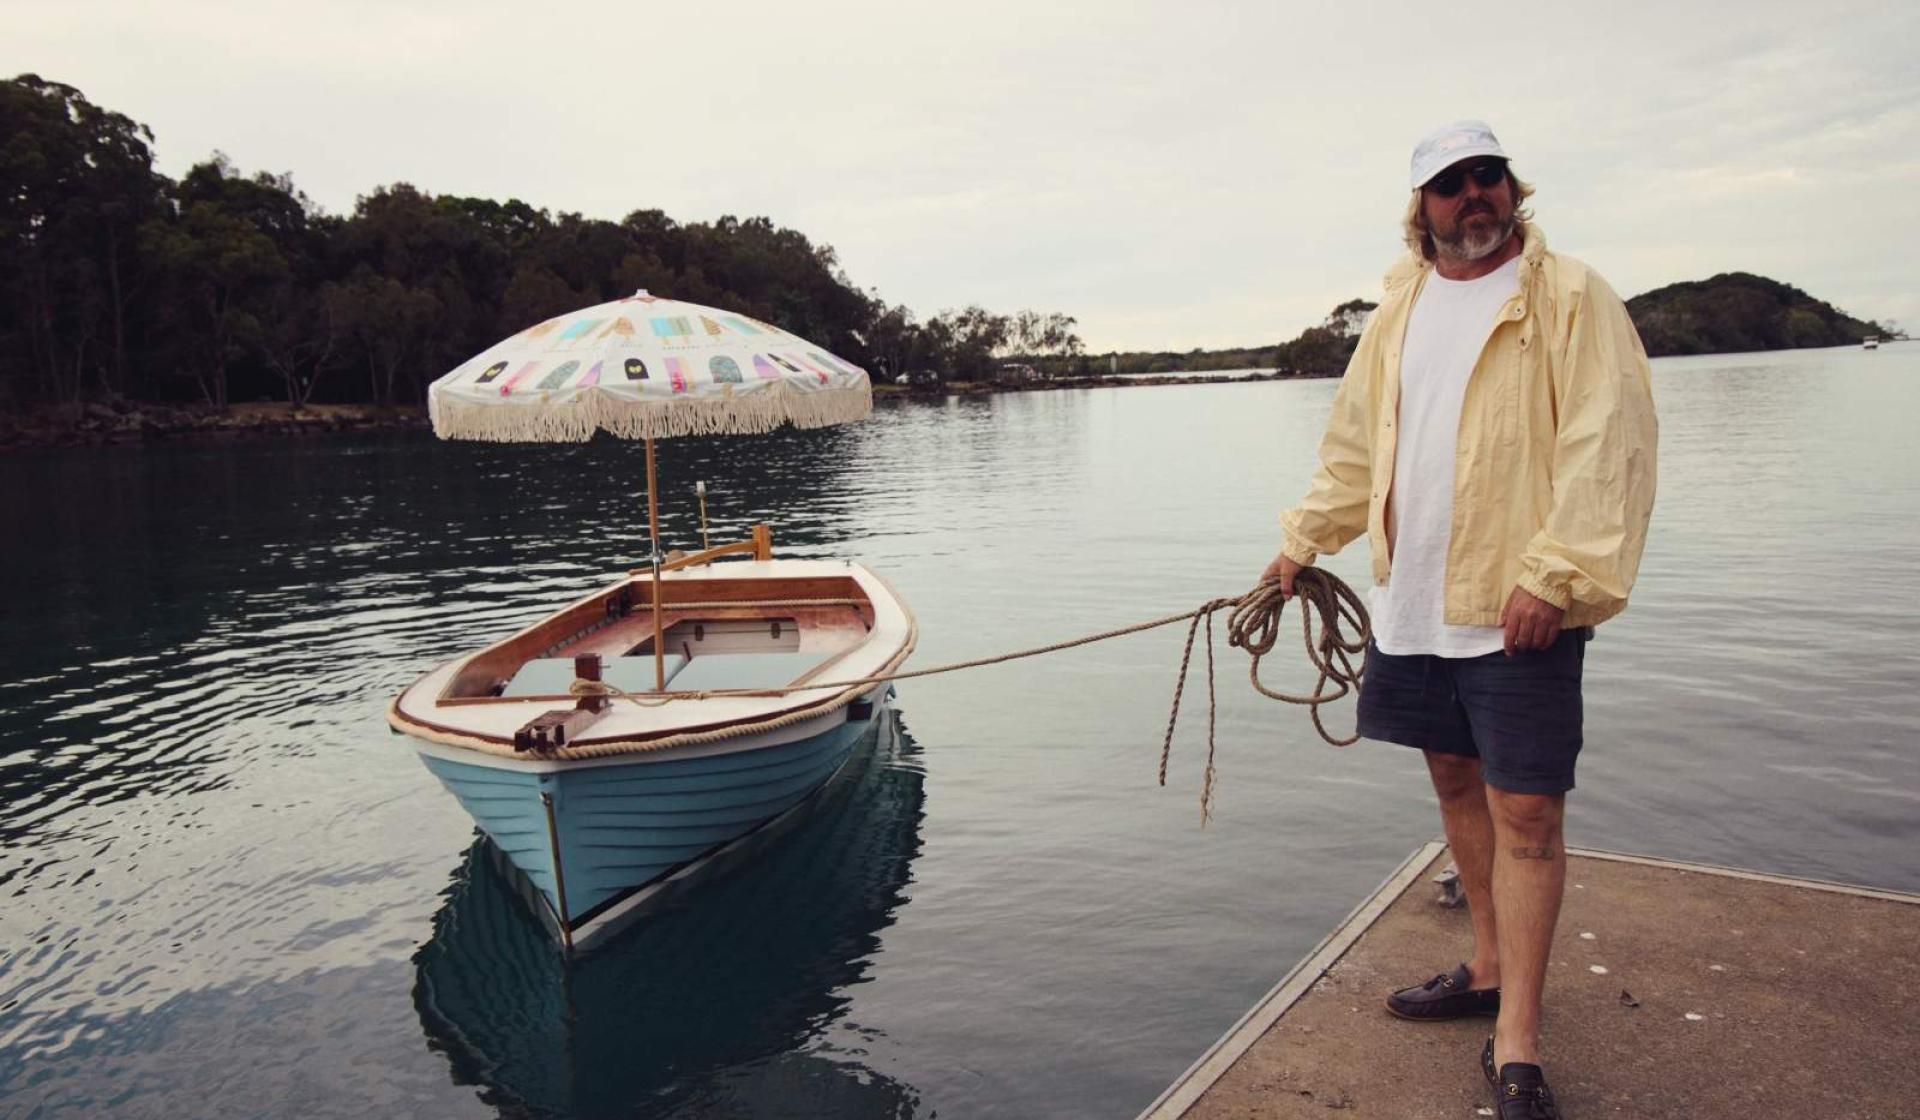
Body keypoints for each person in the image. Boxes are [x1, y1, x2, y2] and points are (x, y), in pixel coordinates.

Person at [1261, 120, 1657, 1118]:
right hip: (1413, 602)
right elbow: (1354, 448)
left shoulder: (1570, 298)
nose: (1473, 193)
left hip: (1518, 605)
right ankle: (1483, 963)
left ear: (1513, 188)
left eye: (1489, 175)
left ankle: (1516, 1037)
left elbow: (1605, 442)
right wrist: (1302, 543)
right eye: (1450, 182)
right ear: (1421, 207)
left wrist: (1555, 574)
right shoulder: (1399, 308)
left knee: (1527, 811)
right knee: (1451, 777)